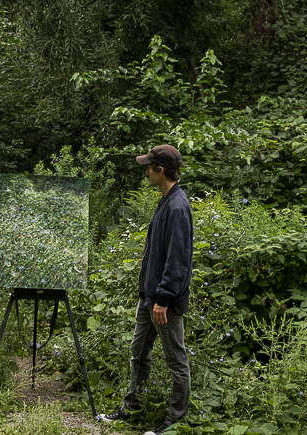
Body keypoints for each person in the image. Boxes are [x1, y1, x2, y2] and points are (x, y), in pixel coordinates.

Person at [99, 144, 193, 435]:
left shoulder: (177, 206)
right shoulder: (166, 200)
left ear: (160, 170)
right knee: (138, 353)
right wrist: (150, 296)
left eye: (148, 166)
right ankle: (132, 406)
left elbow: (177, 261)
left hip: (164, 302)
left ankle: (174, 421)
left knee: (176, 360)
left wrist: (163, 299)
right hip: (149, 298)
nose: (145, 171)